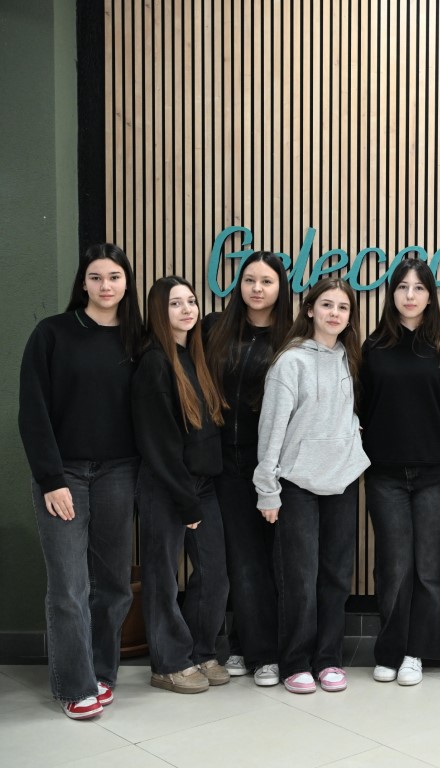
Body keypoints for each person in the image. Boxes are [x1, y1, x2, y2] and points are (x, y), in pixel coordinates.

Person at [18, 244, 144, 719]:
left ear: (126, 282)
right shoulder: (52, 333)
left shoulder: (138, 340)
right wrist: (51, 479)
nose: (105, 286)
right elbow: (32, 411)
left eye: (114, 277)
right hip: (64, 474)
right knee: (69, 586)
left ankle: (102, 673)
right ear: (83, 282)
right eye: (96, 277)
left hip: (120, 472)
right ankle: (75, 686)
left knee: (113, 585)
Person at [254, 277, 370, 694]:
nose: (335, 313)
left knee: (336, 576)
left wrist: (352, 442)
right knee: (299, 578)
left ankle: (328, 659)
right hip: (296, 483)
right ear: (310, 310)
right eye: (327, 305)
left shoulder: (350, 358)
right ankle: (295, 662)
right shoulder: (290, 362)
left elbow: (350, 412)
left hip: (342, 480)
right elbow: (272, 428)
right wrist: (267, 488)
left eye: (343, 307)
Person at [361, 258, 440, 687]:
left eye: (418, 288)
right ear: (392, 294)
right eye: (402, 287)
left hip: (437, 471)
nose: (409, 295)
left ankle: (417, 652)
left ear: (430, 296)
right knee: (394, 567)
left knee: (431, 569)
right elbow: (363, 405)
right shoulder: (374, 346)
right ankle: (390, 650)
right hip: (385, 472)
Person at [133, 276, 230, 694]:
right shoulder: (154, 363)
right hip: (167, 486)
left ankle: (201, 651)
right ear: (159, 311)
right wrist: (185, 500)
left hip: (202, 485)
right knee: (163, 578)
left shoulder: (195, 357)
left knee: (215, 575)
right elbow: (158, 443)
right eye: (176, 303)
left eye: (191, 301)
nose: (188, 309)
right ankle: (169, 663)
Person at [203, 252, 293, 686]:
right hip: (226, 461)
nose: (257, 289)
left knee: (274, 558)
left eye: (267, 281)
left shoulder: (292, 337)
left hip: (277, 463)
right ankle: (254, 649)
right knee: (242, 558)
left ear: (281, 288)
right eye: (250, 280)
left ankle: (259, 646)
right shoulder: (215, 329)